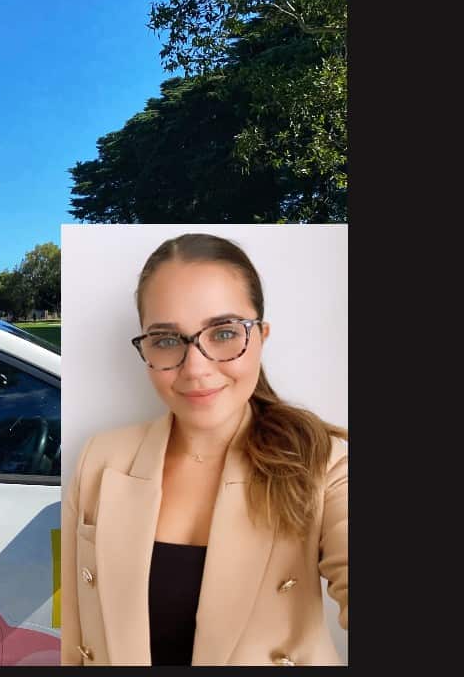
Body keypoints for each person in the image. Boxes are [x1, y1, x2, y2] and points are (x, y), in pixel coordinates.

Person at [61, 233, 348, 666]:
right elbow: (74, 635)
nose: (195, 369)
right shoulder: (99, 460)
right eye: (166, 339)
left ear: (261, 336)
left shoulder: (322, 462)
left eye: (225, 333)